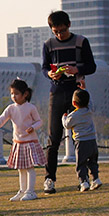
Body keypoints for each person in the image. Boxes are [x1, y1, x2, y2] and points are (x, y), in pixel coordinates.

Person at [42, 10, 96, 194]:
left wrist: (76, 69)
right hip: (57, 92)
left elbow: (92, 66)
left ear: (69, 25)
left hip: (77, 93)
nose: (59, 34)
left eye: (62, 30)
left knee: (80, 138)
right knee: (53, 139)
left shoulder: (81, 42)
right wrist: (50, 74)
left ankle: (86, 178)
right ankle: (49, 179)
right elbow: (44, 68)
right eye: (55, 31)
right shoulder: (48, 45)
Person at [0, 78, 46, 201]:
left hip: (30, 142)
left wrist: (32, 127)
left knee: (29, 167)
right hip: (18, 142)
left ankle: (31, 191)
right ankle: (22, 191)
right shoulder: (11, 108)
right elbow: (1, 120)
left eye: (16, 93)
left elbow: (39, 121)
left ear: (25, 94)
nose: (14, 96)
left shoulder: (30, 107)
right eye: (12, 93)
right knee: (21, 168)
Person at [62, 88, 102, 192]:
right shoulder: (89, 111)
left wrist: (64, 117)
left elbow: (67, 125)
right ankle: (96, 179)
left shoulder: (73, 115)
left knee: (81, 163)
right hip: (92, 141)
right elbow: (91, 103)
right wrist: (85, 88)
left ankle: (83, 182)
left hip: (81, 142)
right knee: (93, 162)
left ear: (74, 103)